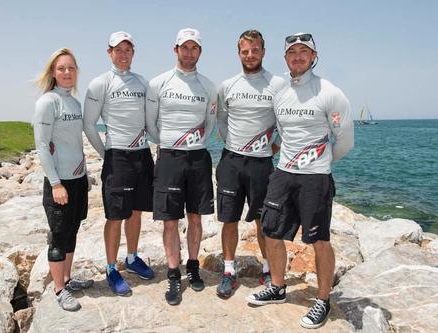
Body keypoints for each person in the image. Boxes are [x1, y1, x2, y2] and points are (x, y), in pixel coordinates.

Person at [245, 32, 354, 329]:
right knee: (270, 232)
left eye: (304, 52)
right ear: (285, 59)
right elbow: (281, 132)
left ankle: (322, 300)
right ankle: (278, 288)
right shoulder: (281, 93)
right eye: (292, 52)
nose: (297, 56)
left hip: (315, 178)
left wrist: (320, 162)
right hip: (283, 174)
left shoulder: (329, 92)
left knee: (319, 240)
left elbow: (344, 140)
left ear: (314, 57)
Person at [146, 28, 217, 305]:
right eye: (184, 47)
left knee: (196, 218)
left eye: (194, 48)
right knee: (171, 220)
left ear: (200, 52)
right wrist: (168, 142)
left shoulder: (208, 86)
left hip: (198, 157)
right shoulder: (158, 83)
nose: (189, 53)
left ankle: (194, 266)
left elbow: (210, 124)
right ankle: (174, 274)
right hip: (169, 158)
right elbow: (151, 123)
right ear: (175, 49)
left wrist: (193, 143)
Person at [215, 29, 286, 299]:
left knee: (263, 221)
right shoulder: (228, 85)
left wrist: (274, 146)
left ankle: (267, 270)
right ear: (239, 53)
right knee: (229, 219)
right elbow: (221, 120)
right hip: (232, 161)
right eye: (245, 51)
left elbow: (284, 121)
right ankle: (229, 272)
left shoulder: (277, 84)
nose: (250, 55)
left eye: (255, 50)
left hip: (262, 165)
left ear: (263, 52)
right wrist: (233, 142)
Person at [83, 31, 154, 296]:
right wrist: (106, 154)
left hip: (143, 154)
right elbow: (89, 123)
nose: (123, 54)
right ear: (109, 52)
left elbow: (150, 121)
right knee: (115, 216)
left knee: (136, 211)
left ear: (133, 53)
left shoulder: (142, 82)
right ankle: (111, 268)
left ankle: (132, 258)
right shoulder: (100, 83)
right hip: (117, 156)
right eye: (118, 49)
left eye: (128, 49)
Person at [33, 48, 94, 311]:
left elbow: (74, 142)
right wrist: (56, 183)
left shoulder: (74, 102)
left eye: (71, 68)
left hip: (79, 179)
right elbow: (42, 146)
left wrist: (87, 172)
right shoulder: (48, 102)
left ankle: (67, 279)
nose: (67, 72)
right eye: (61, 68)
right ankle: (59, 290)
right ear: (53, 73)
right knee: (58, 236)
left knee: (73, 230)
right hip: (60, 183)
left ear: (77, 71)